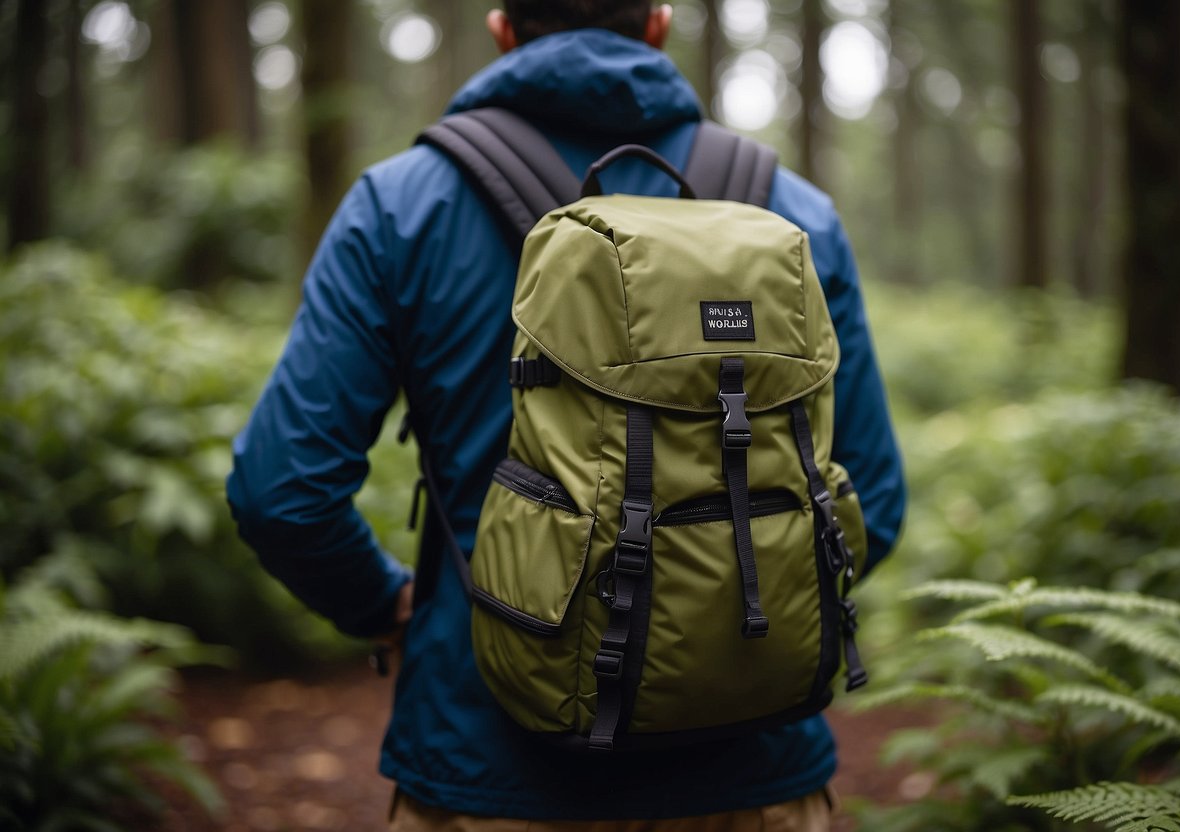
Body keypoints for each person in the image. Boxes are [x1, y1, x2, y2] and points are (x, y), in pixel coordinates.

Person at [227, 2, 906, 829]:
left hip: (487, 756)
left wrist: (385, 607)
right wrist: (722, 620)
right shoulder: (792, 216)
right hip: (753, 771)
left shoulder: (402, 205)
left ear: (502, 25)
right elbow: (870, 492)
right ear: (657, 24)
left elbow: (281, 492)